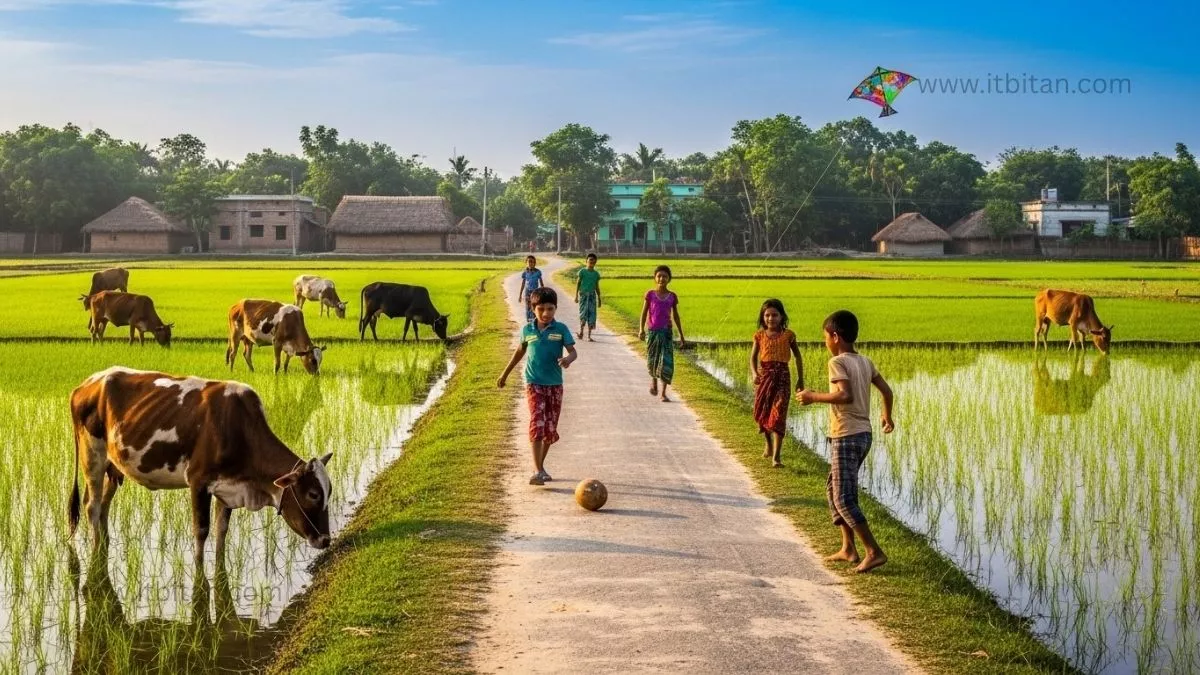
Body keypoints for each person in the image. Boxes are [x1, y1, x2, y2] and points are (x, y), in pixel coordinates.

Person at [797, 310, 894, 574]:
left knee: (843, 497)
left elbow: (845, 395)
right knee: (834, 488)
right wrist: (887, 416)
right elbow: (886, 390)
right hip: (864, 434)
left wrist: (812, 396)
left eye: (825, 337)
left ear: (835, 337)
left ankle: (873, 551)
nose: (825, 342)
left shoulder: (837, 362)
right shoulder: (865, 361)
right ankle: (848, 548)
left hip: (846, 434)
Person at [497, 287, 578, 485]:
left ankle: (539, 467)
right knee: (537, 421)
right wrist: (504, 374)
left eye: (550, 309)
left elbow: (573, 352)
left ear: (555, 309)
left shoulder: (561, 330)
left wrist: (568, 360)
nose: (545, 313)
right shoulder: (527, 330)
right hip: (533, 383)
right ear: (533, 309)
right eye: (541, 309)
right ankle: (537, 469)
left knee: (550, 427)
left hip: (555, 385)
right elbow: (519, 352)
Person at [751, 299, 804, 468]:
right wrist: (754, 373)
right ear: (762, 317)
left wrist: (800, 379)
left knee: (778, 414)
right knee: (762, 412)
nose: (771, 319)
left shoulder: (789, 335)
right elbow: (753, 358)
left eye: (775, 315)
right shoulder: (759, 335)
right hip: (765, 376)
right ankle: (768, 443)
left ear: (782, 317)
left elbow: (797, 356)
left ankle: (777, 456)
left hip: (783, 377)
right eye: (767, 315)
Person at [638, 265, 685, 402]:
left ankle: (664, 393)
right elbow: (644, 313)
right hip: (652, 332)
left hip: (666, 333)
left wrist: (681, 335)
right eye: (659, 276)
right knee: (652, 359)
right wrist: (641, 329)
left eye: (665, 276)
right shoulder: (650, 294)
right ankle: (653, 380)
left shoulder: (672, 297)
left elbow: (676, 316)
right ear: (655, 278)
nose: (661, 278)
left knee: (666, 362)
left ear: (669, 279)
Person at [575, 253, 602, 341]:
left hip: (592, 296)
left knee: (592, 315)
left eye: (593, 262)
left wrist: (599, 298)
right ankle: (581, 332)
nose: (591, 263)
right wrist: (576, 296)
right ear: (586, 261)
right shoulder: (582, 271)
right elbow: (578, 283)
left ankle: (589, 336)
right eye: (590, 261)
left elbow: (597, 286)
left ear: (595, 263)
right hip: (583, 295)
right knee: (583, 314)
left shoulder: (596, 274)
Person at [517, 255, 543, 324]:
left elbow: (541, 283)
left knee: (535, 307)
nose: (530, 263)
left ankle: (535, 322)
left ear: (535, 263)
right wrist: (520, 295)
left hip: (535, 292)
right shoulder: (525, 272)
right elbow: (523, 284)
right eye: (529, 262)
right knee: (528, 308)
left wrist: (543, 293)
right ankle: (529, 322)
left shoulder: (538, 272)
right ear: (526, 262)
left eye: (532, 262)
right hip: (527, 292)